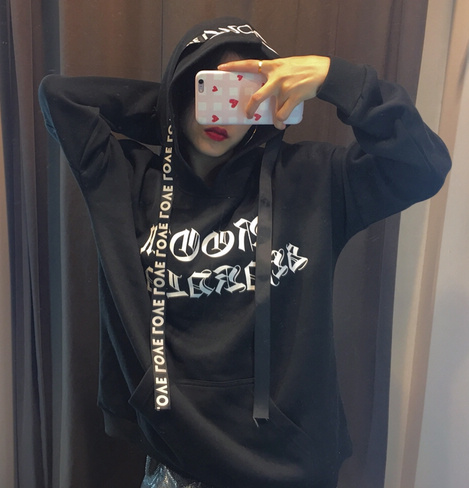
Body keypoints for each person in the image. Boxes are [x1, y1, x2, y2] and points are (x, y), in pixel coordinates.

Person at [38, 16, 451, 488]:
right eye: (212, 90)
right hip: (178, 464)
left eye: (246, 95)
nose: (223, 114)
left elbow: (424, 165)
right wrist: (177, 104)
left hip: (289, 465)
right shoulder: (126, 181)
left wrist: (334, 78)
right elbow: (60, 97)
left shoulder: (314, 179)